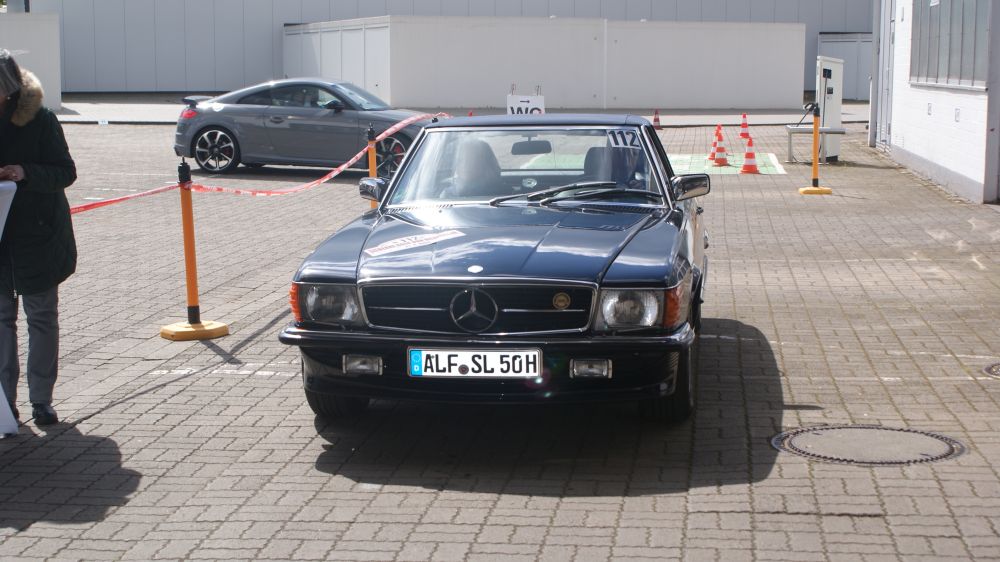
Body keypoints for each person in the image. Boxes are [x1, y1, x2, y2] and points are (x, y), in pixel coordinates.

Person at [0, 50, 77, 426]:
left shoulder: (41, 119)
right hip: (2, 240)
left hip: (40, 235)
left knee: (42, 317)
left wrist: (24, 172)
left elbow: (65, 172)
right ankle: (5, 405)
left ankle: (41, 400)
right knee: (2, 320)